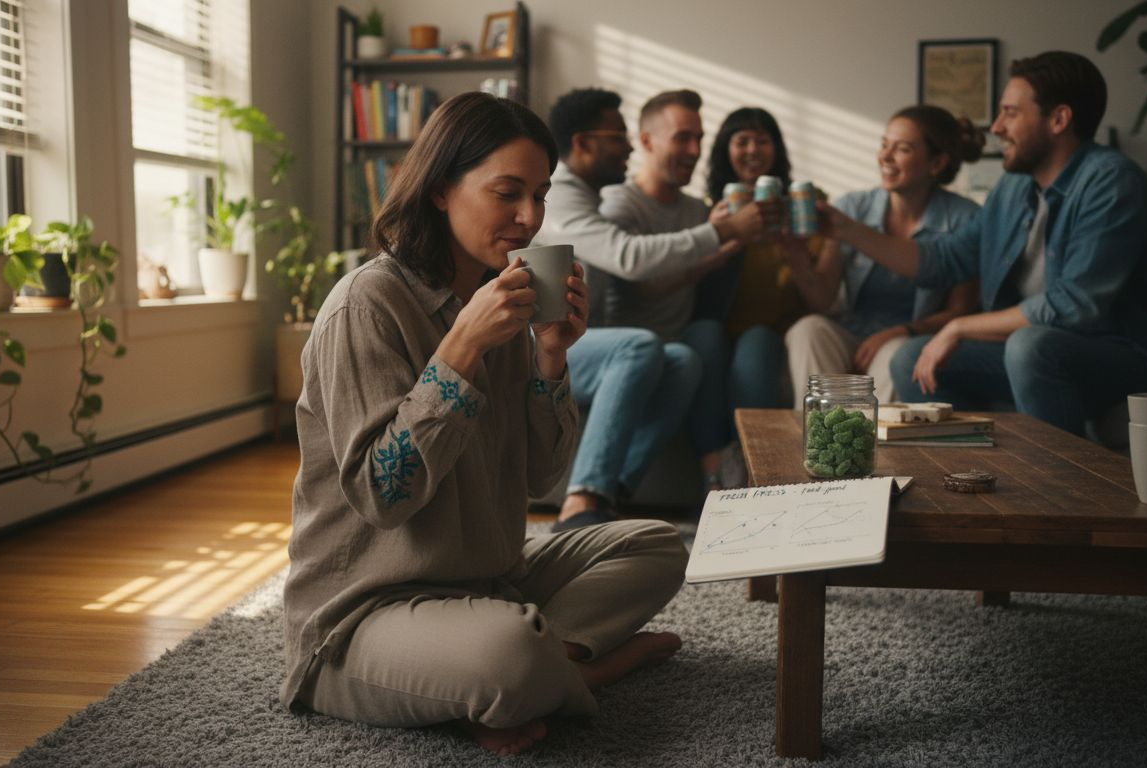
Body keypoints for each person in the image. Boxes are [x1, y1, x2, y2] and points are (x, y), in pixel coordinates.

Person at [280, 92, 688, 757]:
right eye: (507, 194)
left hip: (489, 580)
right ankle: (574, 671)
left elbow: (541, 479)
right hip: (362, 615)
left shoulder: (499, 297)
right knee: (507, 653)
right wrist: (459, 352)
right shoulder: (368, 302)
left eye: (540, 195)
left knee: (658, 546)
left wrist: (551, 359)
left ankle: (531, 669)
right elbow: (386, 496)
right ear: (441, 189)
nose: (530, 218)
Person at [817, 51, 1147, 434]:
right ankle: (974, 474)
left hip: (1130, 354)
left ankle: (1059, 487)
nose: (996, 127)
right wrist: (847, 229)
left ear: (1058, 119)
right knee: (909, 359)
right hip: (1044, 352)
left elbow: (1076, 305)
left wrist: (959, 327)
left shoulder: (1111, 182)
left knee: (1030, 345)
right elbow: (943, 260)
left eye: (1011, 113)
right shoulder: (1013, 187)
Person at [537, 87, 771, 523]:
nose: (627, 145)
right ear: (583, 142)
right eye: (618, 136)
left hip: (575, 338)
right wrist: (719, 233)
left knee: (684, 358)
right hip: (539, 343)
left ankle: (613, 491)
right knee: (639, 345)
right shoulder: (559, 197)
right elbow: (629, 258)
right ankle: (582, 499)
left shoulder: (589, 196)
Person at [597, 90, 776, 490]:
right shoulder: (617, 204)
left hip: (687, 340)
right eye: (682, 138)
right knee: (699, 342)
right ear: (646, 141)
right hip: (633, 345)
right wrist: (717, 242)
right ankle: (712, 471)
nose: (694, 150)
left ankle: (746, 474)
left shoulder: (699, 210)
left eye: (698, 138)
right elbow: (642, 287)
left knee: (710, 334)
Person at [783, 104, 982, 404]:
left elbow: (960, 312)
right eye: (884, 144)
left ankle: (875, 446)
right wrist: (795, 255)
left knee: (896, 353)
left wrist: (898, 332)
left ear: (937, 163)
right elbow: (822, 300)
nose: (885, 157)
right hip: (852, 331)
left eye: (902, 149)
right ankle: (821, 442)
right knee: (808, 329)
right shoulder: (853, 207)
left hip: (911, 336)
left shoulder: (964, 219)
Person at [696, 107, 807, 432]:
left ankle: (750, 456)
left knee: (757, 340)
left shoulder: (796, 211)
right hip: (718, 324)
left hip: (771, 329)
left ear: (776, 148)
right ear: (725, 150)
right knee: (704, 334)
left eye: (762, 140)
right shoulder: (706, 211)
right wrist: (725, 233)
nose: (752, 150)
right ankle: (713, 459)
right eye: (742, 141)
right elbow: (690, 280)